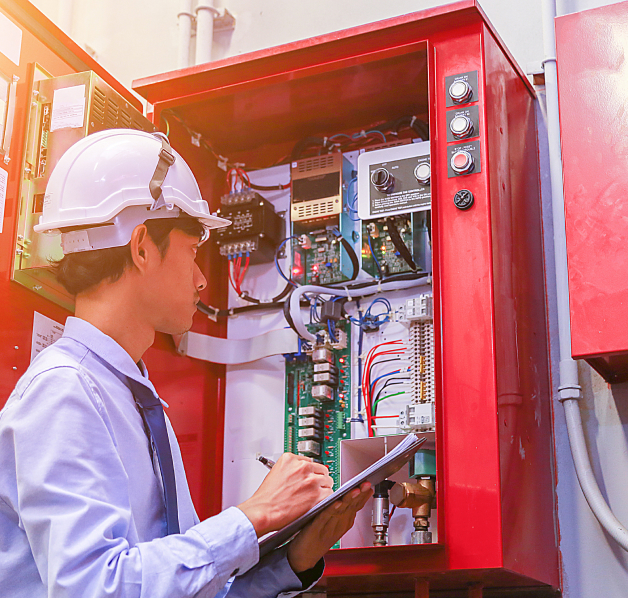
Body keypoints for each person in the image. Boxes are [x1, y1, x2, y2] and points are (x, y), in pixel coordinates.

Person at [0, 129, 373, 598]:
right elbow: (95, 588)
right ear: (141, 247)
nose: (201, 280)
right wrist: (253, 514)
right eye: (193, 252)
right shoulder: (63, 392)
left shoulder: (131, 398)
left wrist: (293, 560)